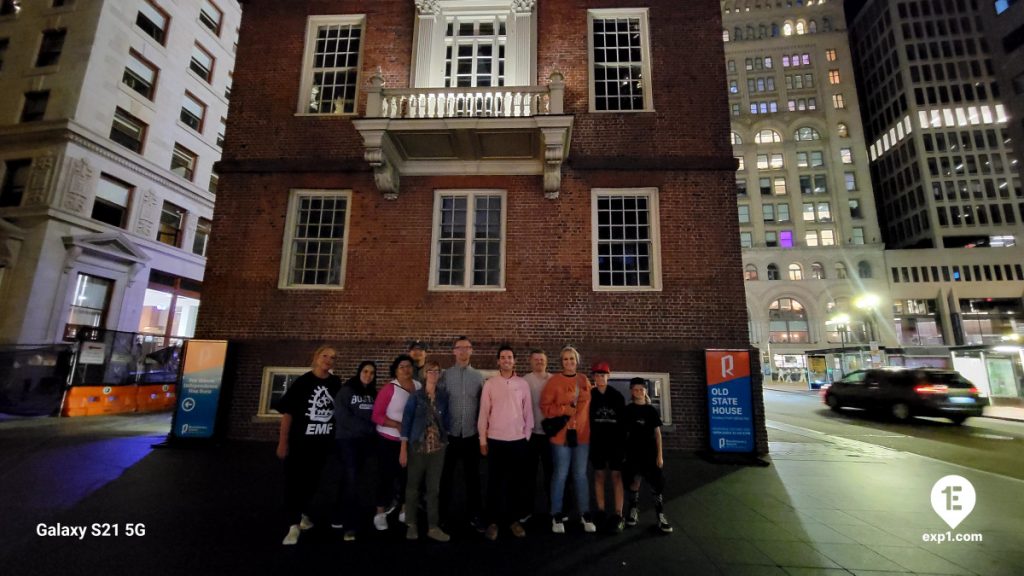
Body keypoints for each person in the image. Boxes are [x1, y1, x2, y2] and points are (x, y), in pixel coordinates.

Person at [275, 345, 343, 545]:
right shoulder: (303, 382)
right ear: (316, 357)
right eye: (325, 355)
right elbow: (288, 414)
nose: (328, 360)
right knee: (294, 482)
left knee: (313, 482)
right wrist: (283, 442)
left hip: (323, 445)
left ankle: (304, 513)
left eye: (333, 357)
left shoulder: (335, 383)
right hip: (300, 444)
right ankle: (293, 525)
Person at [478, 345, 533, 540]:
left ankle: (513, 521)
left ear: (514, 360)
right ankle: (492, 522)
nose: (506, 360)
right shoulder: (490, 384)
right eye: (503, 357)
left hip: (517, 441)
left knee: (515, 484)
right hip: (495, 440)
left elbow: (528, 413)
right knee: (494, 483)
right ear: (498, 361)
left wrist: (526, 436)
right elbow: (484, 412)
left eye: (509, 357)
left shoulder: (522, 384)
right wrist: (482, 439)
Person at [540, 345, 596, 534]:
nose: (569, 362)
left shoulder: (583, 380)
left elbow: (588, 404)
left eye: (572, 358)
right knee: (560, 474)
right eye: (565, 359)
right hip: (561, 436)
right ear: (561, 362)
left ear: (577, 360)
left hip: (582, 435)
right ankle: (556, 513)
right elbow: (545, 407)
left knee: (580, 475)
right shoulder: (554, 381)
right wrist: (564, 409)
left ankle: (585, 513)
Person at [399, 360, 451, 542]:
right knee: (412, 487)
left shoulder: (443, 396)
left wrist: (445, 438)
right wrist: (403, 448)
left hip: (437, 449)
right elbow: (406, 421)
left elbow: (447, 421)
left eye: (436, 371)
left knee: (433, 489)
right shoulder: (416, 396)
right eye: (430, 371)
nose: (433, 374)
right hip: (417, 447)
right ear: (424, 374)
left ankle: (433, 527)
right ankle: (411, 524)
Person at [438, 336, 485, 531]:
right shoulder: (445, 376)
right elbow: (439, 404)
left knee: (473, 478)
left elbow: (483, 406)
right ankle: (441, 517)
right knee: (445, 478)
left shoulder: (479, 377)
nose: (463, 351)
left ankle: (475, 515)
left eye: (467, 347)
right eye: (460, 348)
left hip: (471, 435)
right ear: (454, 351)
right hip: (450, 435)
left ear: (471, 351)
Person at [371, 354, 420, 531]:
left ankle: (405, 509)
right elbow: (376, 416)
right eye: (402, 367)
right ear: (395, 370)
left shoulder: (418, 386)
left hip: (411, 441)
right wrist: (397, 425)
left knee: (408, 477)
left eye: (408, 366)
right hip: (388, 440)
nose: (406, 369)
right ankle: (380, 513)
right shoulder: (389, 389)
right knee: (386, 476)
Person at [331, 360, 377, 541]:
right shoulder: (347, 390)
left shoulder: (373, 393)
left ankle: (338, 515)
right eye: (365, 371)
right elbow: (342, 416)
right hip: (347, 441)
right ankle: (349, 525)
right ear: (359, 372)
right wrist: (369, 428)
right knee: (352, 478)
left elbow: (377, 415)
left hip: (365, 443)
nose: (368, 375)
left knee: (352, 479)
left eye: (372, 373)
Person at [622, 377, 672, 534]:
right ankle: (633, 511)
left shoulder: (651, 411)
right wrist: (624, 453)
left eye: (641, 389)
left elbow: (658, 434)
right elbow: (624, 433)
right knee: (634, 481)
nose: (638, 392)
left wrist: (660, 455)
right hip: (633, 451)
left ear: (645, 391)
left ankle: (660, 516)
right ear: (632, 391)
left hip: (650, 452)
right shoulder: (628, 410)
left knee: (656, 484)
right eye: (635, 389)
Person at [589, 360, 626, 532]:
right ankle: (601, 510)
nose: (600, 378)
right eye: (597, 375)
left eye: (603, 375)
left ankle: (618, 513)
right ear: (594, 377)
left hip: (615, 443)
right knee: (598, 475)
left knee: (616, 476)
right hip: (597, 442)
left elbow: (623, 423)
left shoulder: (617, 396)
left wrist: (623, 445)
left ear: (608, 376)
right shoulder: (590, 396)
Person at [522, 349, 552, 523]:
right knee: (528, 476)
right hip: (530, 435)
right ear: (530, 362)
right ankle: (526, 510)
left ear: (546, 362)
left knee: (551, 475)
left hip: (549, 436)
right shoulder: (524, 381)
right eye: (536, 359)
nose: (539, 362)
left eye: (542, 359)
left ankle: (554, 510)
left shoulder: (554, 380)